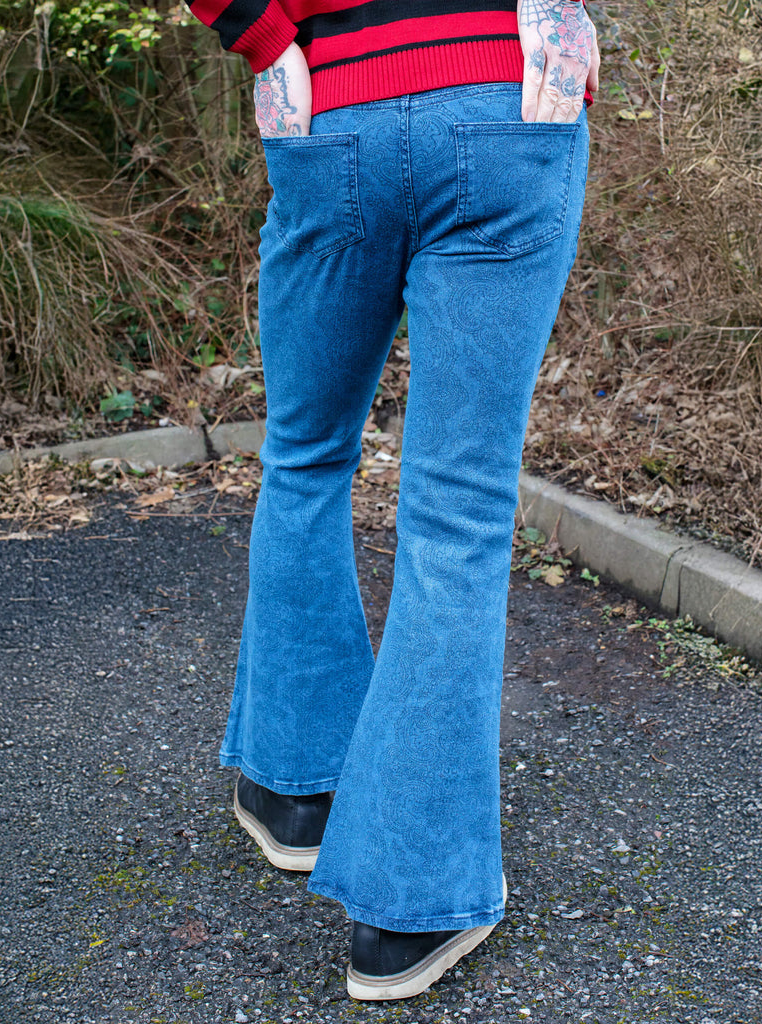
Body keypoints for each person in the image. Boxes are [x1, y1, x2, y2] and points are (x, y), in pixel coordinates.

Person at [186, 0, 599, 1001]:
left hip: (333, 105)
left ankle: (293, 790)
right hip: (507, 94)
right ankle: (406, 909)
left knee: (305, 453)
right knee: (456, 511)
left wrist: (263, 36)